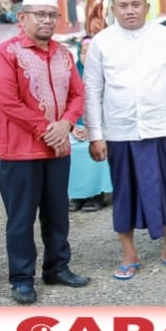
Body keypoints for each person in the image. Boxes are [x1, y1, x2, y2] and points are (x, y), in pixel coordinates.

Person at [83, 0, 166, 280]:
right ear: (113, 9)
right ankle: (129, 254)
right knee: (124, 192)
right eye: (123, 5)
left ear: (147, 7)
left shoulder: (164, 37)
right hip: (119, 132)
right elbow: (92, 90)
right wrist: (96, 134)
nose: (129, 10)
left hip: (160, 129)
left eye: (135, 4)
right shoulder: (101, 42)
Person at [0, 0, 88, 304]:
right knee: (21, 218)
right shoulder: (5, 54)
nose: (47, 20)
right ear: (22, 18)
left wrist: (66, 123)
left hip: (56, 150)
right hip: (17, 151)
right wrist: (50, 129)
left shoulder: (63, 53)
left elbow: (78, 94)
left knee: (57, 213)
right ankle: (21, 278)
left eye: (52, 15)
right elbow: (9, 103)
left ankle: (57, 267)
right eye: (39, 14)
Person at [68, 36, 111, 213]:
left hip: (102, 127)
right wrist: (72, 127)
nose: (87, 56)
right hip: (74, 128)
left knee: (96, 145)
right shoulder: (71, 76)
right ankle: (76, 195)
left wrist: (92, 129)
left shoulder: (108, 75)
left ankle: (96, 195)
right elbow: (65, 104)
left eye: (91, 52)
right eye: (84, 52)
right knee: (71, 149)